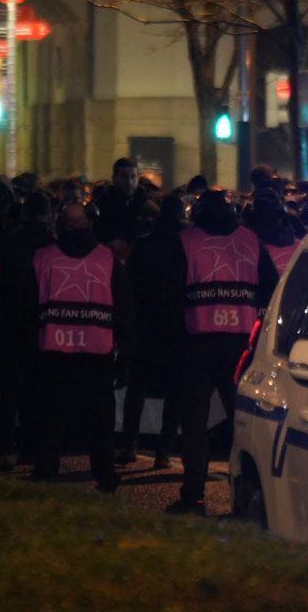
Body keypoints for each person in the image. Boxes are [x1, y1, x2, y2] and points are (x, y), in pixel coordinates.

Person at [166, 190, 280, 514]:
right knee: (243, 423)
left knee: (194, 424)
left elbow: (171, 298)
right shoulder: (250, 241)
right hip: (241, 347)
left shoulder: (186, 242)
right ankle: (246, 499)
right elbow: (272, 290)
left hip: (197, 345)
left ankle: (194, 497)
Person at [28, 201, 132, 493]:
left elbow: (26, 310)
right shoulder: (107, 260)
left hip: (53, 355)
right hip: (97, 355)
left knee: (50, 419)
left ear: (60, 226)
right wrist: (125, 353)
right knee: (100, 422)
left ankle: (45, 472)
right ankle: (105, 475)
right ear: (89, 224)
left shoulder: (43, 258)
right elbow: (124, 309)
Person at [0, 191, 54, 470]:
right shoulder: (52, 246)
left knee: (8, 391)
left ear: (23, 214)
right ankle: (31, 447)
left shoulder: (4, 244)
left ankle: (4, 449)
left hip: (10, 323)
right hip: (41, 325)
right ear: (47, 215)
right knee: (37, 391)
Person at [119, 196, 185, 469]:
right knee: (175, 391)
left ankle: (128, 445)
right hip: (176, 327)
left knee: (137, 388)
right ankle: (164, 450)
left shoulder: (144, 245)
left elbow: (129, 286)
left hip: (146, 325)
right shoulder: (186, 246)